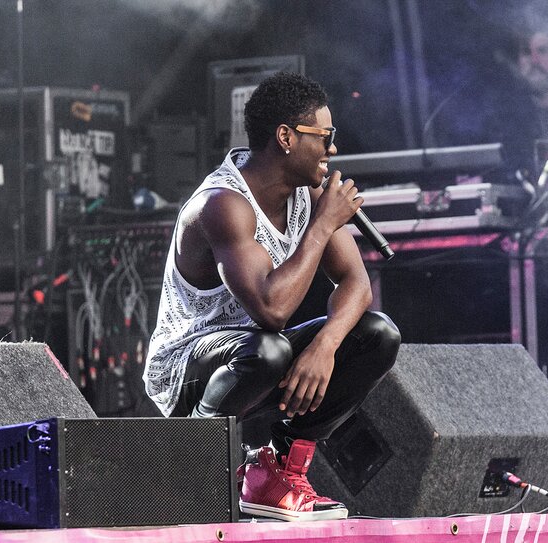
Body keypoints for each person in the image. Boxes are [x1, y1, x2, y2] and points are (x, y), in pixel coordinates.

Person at [143, 72, 401, 522]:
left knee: (377, 335)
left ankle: (277, 471)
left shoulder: (307, 193)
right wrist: (323, 226)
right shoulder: (222, 203)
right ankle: (193, 468)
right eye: (325, 136)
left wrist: (324, 346)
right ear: (286, 137)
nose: (333, 150)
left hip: (260, 356)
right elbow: (272, 310)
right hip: (189, 366)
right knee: (269, 347)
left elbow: (357, 285)